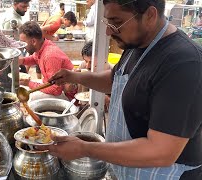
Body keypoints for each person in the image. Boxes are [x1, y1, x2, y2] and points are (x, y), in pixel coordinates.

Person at [41, 0, 202, 179]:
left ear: (150, 15)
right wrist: (75, 76)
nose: (109, 31)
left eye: (117, 22)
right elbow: (114, 80)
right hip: (126, 171)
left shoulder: (184, 64)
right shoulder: (137, 44)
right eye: (108, 22)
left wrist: (84, 148)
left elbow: (161, 152)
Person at [18, 21, 75, 101]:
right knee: (25, 90)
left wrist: (28, 83)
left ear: (33, 41)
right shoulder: (42, 46)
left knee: (30, 98)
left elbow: (55, 90)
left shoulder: (50, 55)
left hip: (66, 96)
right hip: (52, 86)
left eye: (23, 43)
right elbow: (34, 58)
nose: (22, 46)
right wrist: (22, 61)